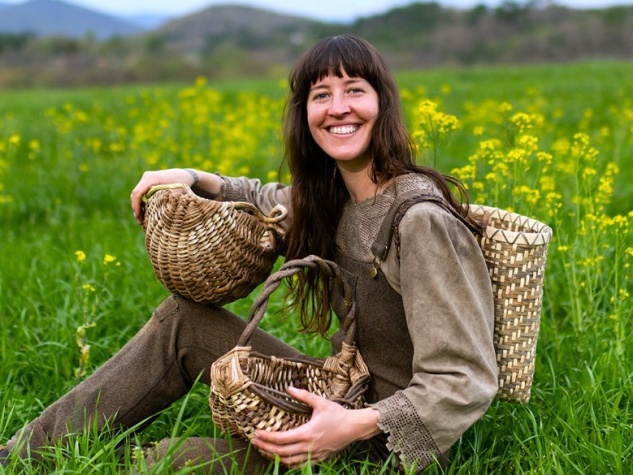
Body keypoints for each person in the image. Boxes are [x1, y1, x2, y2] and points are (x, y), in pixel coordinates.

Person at [0, 35, 497, 473]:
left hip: (383, 448)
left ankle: (119, 461)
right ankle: (21, 457)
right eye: (321, 95)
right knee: (185, 320)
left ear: (382, 105)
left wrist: (349, 428)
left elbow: (464, 378)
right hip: (334, 397)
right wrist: (192, 178)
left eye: (355, 91)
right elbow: (265, 200)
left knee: (173, 460)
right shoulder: (332, 199)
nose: (337, 107)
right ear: (306, 115)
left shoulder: (420, 221)